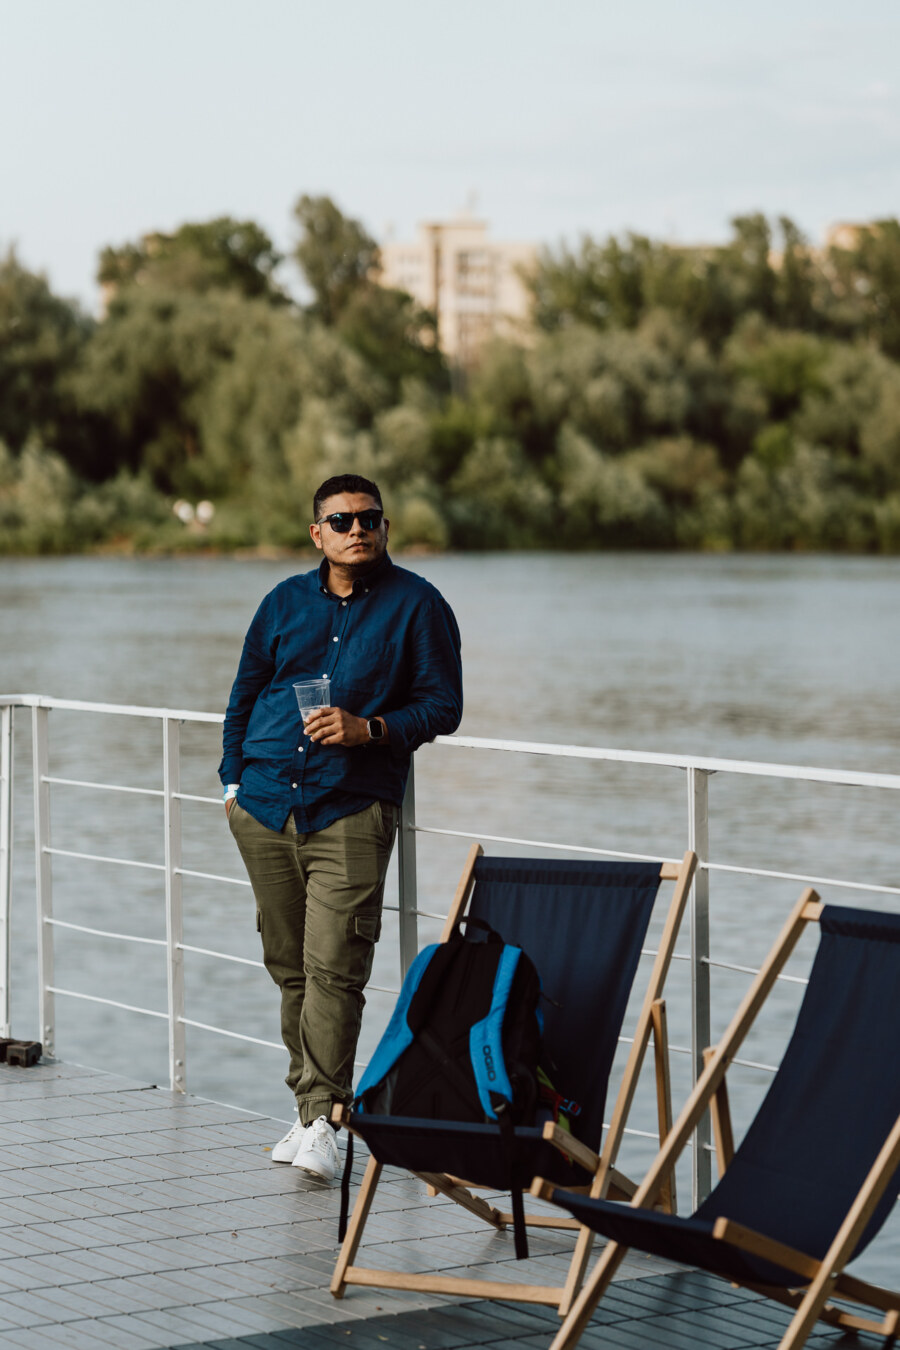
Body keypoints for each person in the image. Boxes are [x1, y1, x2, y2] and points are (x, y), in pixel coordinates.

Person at [220, 474, 462, 1181]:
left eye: (370, 518)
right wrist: (232, 782)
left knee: (336, 967)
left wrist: (372, 729)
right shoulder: (284, 603)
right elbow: (244, 692)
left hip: (352, 807)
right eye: (343, 519)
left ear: (383, 526)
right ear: (317, 533)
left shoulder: (418, 605)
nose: (359, 529)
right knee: (290, 966)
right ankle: (308, 1110)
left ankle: (329, 1119)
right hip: (264, 806)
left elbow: (443, 706)